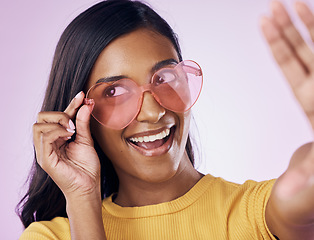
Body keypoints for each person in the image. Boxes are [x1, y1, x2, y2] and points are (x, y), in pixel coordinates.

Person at [17, 0, 314, 239]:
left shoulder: (252, 214)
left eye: (165, 78)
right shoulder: (51, 236)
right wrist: (83, 199)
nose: (153, 111)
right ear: (80, 114)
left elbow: (301, 190)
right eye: (115, 90)